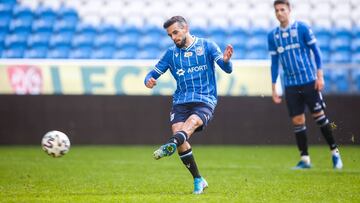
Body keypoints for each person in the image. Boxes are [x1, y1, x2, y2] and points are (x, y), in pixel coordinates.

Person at [144, 16, 233, 194]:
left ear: (186, 28)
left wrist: (226, 60)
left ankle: (169, 144)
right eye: (170, 35)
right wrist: (148, 80)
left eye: (176, 32)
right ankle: (198, 179)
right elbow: (151, 73)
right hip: (181, 101)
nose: (174, 37)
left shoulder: (207, 46)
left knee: (190, 124)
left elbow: (227, 69)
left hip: (204, 99)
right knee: (181, 139)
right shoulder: (171, 54)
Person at [268, 0, 343, 169]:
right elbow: (274, 62)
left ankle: (335, 153)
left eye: (282, 9)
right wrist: (274, 87)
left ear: (289, 10)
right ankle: (305, 159)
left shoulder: (302, 28)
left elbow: (316, 52)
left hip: (309, 81)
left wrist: (320, 76)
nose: (279, 13)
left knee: (320, 117)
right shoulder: (272, 36)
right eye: (277, 10)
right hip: (291, 85)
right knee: (297, 121)